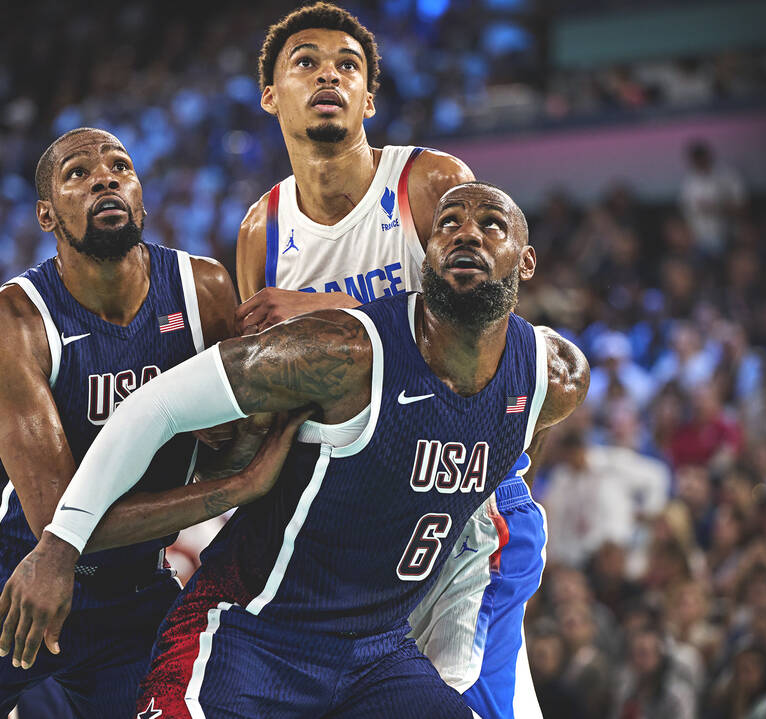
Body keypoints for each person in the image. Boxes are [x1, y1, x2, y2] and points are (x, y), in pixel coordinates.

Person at [0, 181, 590, 718]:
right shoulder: (342, 353)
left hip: (375, 652)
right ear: (423, 258)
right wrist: (60, 543)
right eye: (449, 221)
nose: (466, 232)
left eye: (491, 224)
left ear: (527, 261)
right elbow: (155, 406)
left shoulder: (553, 380)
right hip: (252, 635)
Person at [0, 127, 304, 719]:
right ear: (46, 215)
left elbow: (236, 442)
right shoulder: (10, 319)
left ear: (141, 195)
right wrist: (237, 488)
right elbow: (59, 519)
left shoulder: (203, 289)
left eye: (120, 167)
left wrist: (235, 438)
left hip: (135, 587)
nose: (105, 179)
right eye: (78, 174)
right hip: (20, 570)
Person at [234, 4, 550, 714]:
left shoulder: (428, 181)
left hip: (462, 506)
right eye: (306, 62)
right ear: (270, 95)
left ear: (369, 99)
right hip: (352, 541)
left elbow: (481, 327)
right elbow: (269, 399)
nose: (329, 75)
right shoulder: (263, 228)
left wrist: (320, 310)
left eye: (348, 65)